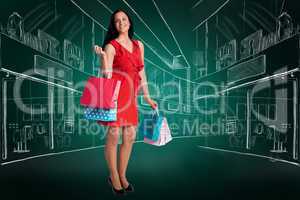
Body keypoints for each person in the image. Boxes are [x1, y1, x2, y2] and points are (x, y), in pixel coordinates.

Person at [94, 9, 157, 195]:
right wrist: (103, 57)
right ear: (114, 26)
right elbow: (106, 75)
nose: (121, 22)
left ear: (130, 22)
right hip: (115, 96)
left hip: (131, 97)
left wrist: (147, 95)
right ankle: (113, 175)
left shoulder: (139, 45)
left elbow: (141, 72)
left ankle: (122, 175)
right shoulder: (111, 46)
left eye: (124, 19)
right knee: (113, 135)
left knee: (129, 136)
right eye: (117, 21)